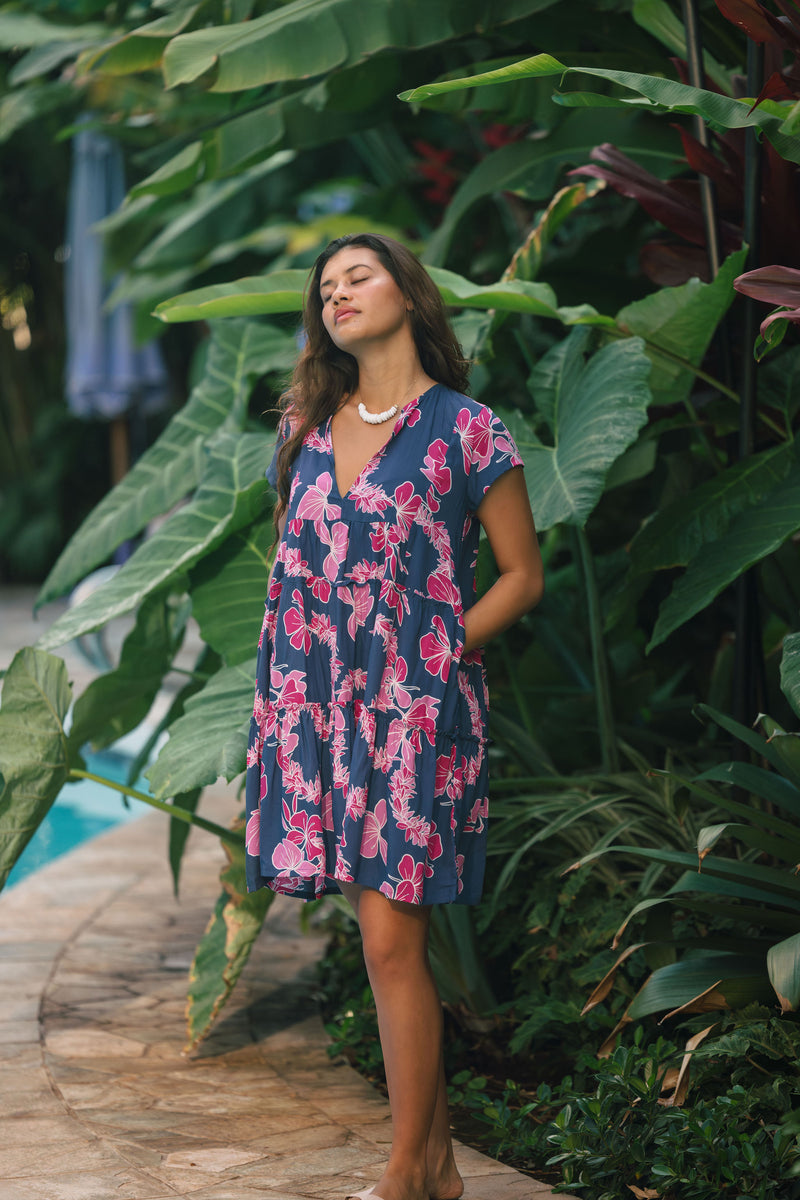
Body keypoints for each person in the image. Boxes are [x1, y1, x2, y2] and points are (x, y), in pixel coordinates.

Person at [244, 233, 544, 1200]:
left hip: (413, 713)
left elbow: (520, 576)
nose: (338, 294)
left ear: (407, 293)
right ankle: (439, 1165)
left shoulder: (468, 431)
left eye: (357, 276)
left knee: (388, 941)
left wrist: (445, 649)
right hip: (318, 708)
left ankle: (405, 1173)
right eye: (325, 287)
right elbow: (302, 570)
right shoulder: (305, 422)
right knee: (381, 939)